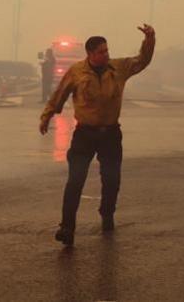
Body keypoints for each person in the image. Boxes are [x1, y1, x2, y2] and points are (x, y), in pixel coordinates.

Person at [39, 26, 155, 246]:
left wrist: (149, 40)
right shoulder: (77, 72)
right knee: (75, 180)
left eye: (107, 50)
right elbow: (59, 95)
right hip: (85, 134)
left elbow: (143, 61)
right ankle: (67, 227)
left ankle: (107, 213)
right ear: (90, 54)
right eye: (101, 51)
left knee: (111, 180)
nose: (106, 54)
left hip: (110, 134)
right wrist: (47, 116)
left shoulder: (118, 68)